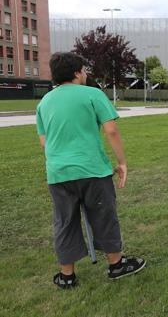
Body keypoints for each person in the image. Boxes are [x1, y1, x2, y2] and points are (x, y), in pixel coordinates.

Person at [35, 52, 145, 289]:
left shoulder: (44, 102)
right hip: (92, 170)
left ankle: (67, 276)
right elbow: (111, 130)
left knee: (64, 222)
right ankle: (116, 265)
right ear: (76, 73)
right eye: (84, 70)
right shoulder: (93, 94)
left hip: (58, 173)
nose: (85, 74)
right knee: (103, 216)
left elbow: (44, 142)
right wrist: (122, 163)